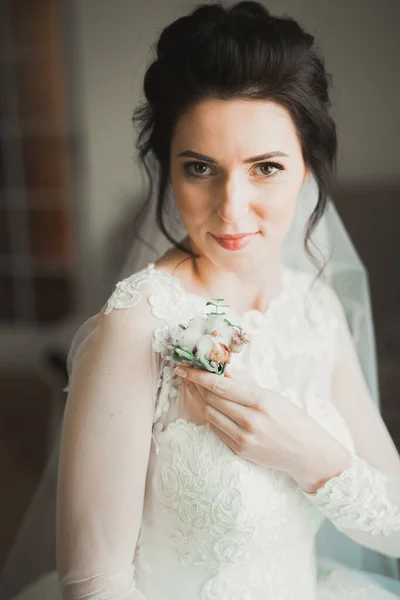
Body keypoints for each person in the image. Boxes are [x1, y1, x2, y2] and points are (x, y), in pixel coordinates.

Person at [2, 2, 400, 599]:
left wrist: (309, 453)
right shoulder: (137, 327)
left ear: (307, 171)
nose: (231, 209)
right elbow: (95, 584)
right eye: (200, 168)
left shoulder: (316, 311)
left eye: (265, 167)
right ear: (167, 169)